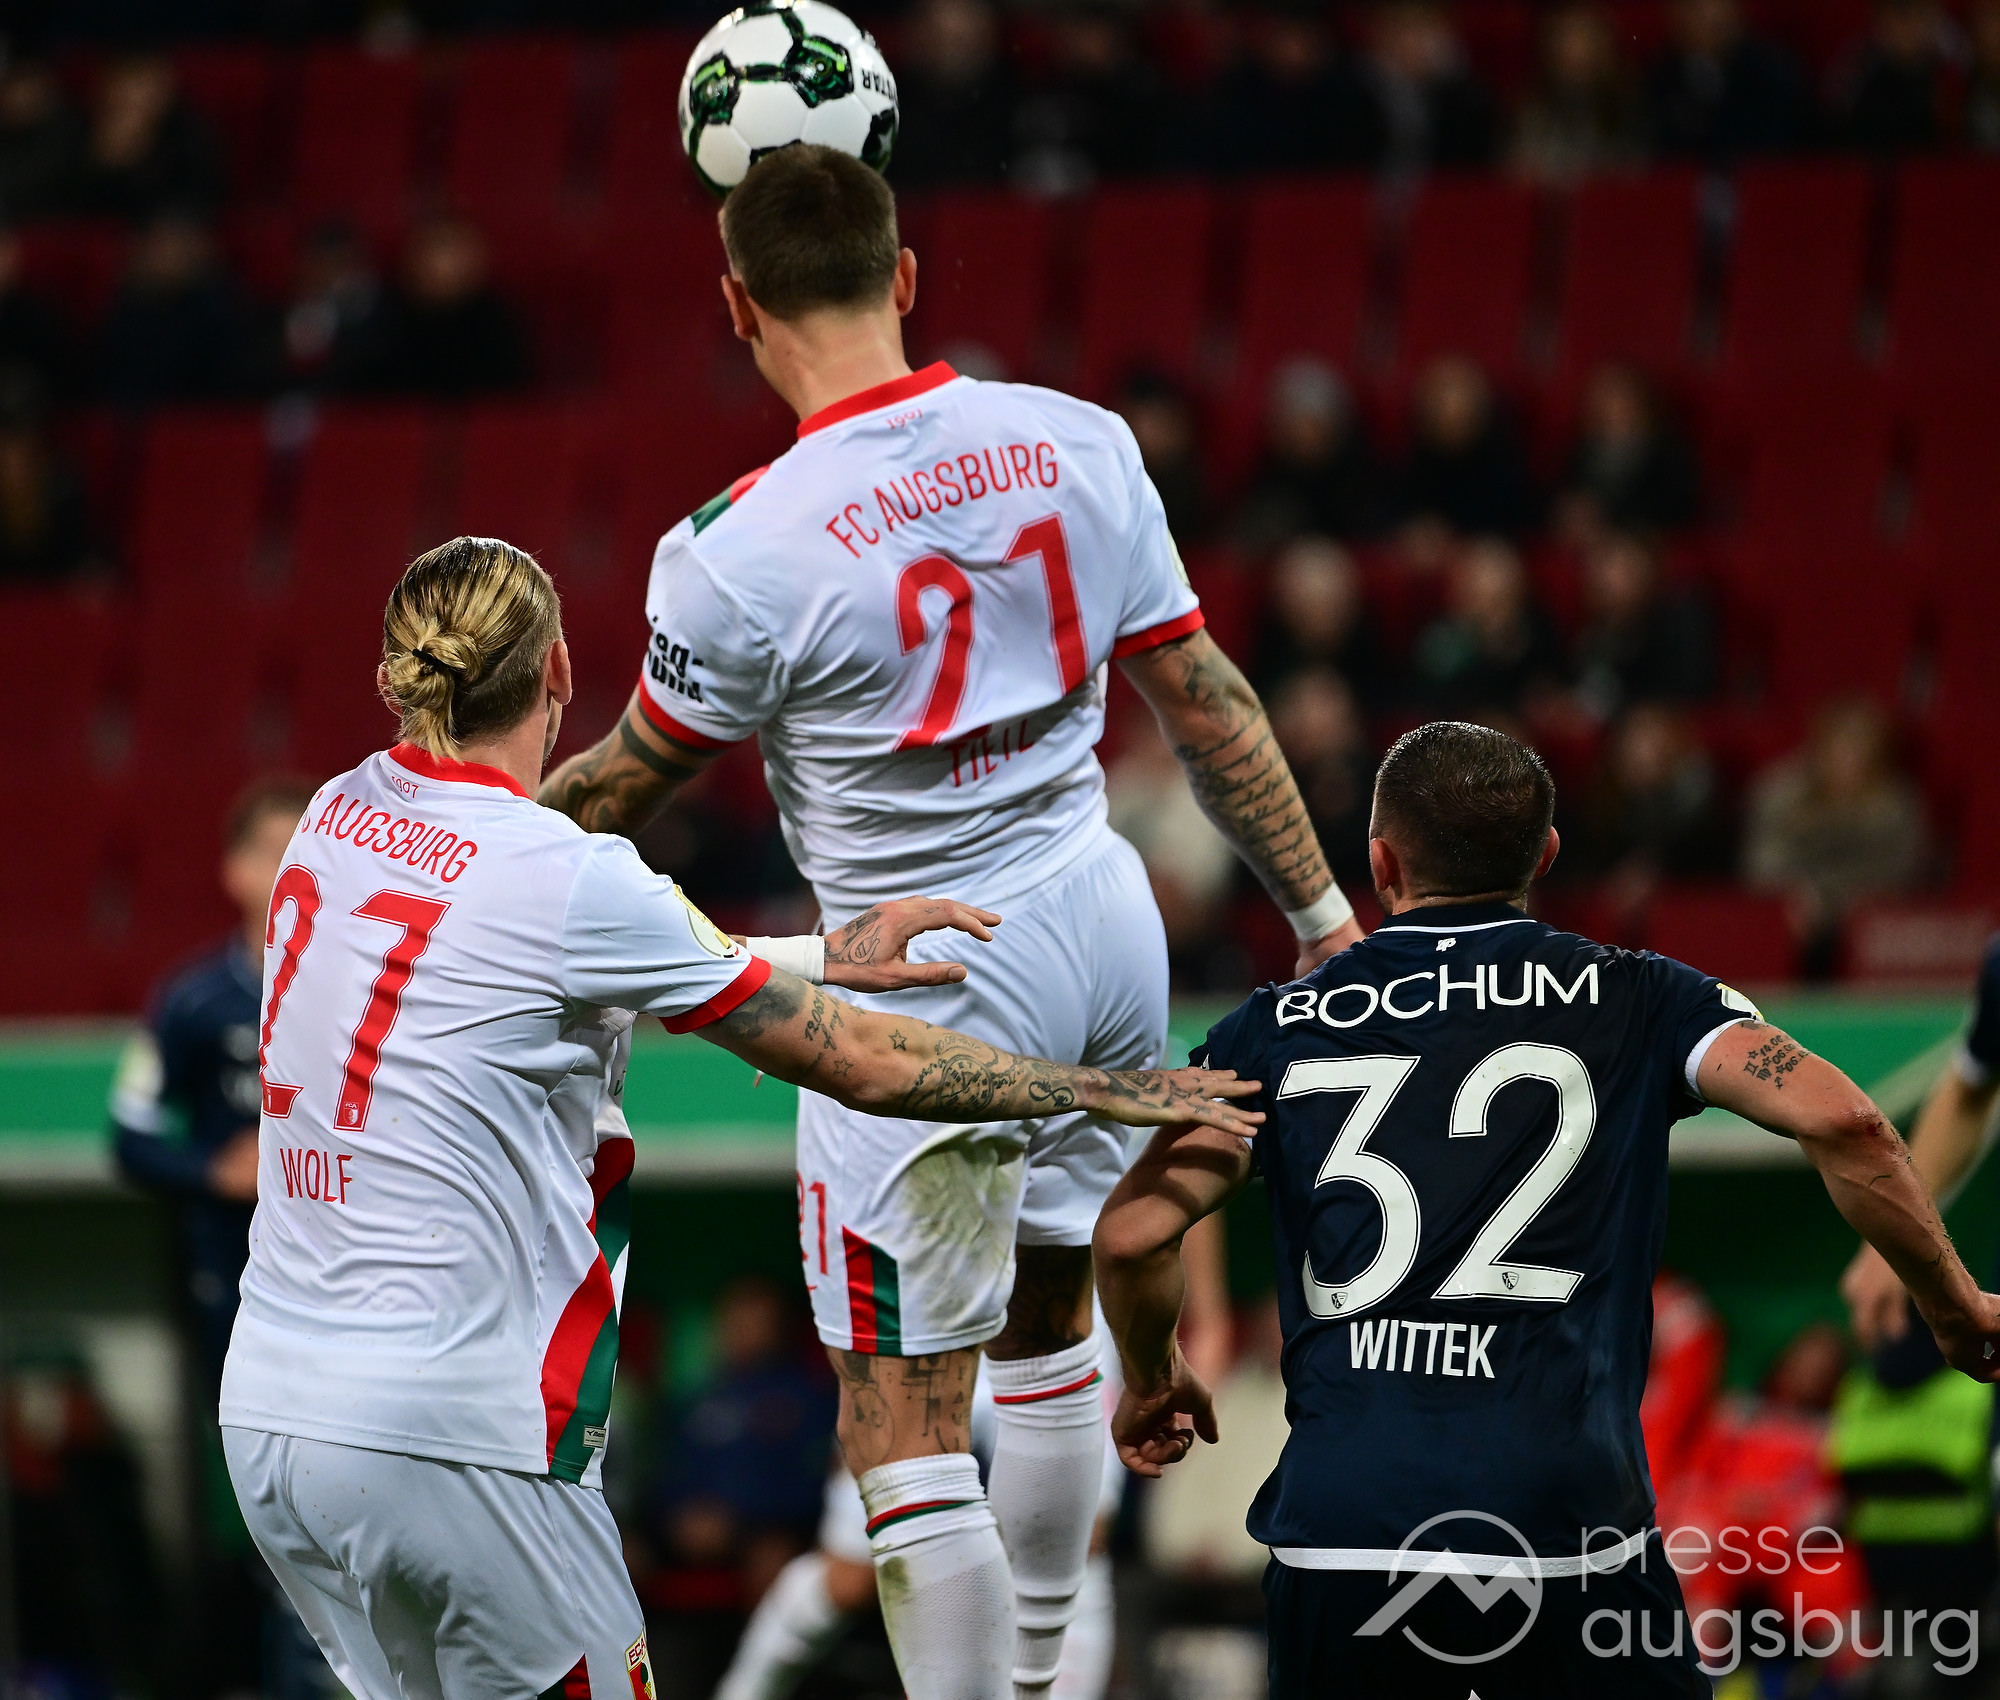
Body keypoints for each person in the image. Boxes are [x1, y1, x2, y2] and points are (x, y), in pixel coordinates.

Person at [539, 145, 1362, 1700]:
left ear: (737, 306)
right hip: (1103, 909)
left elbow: (623, 787)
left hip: (919, 972)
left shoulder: (737, 548)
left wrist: (448, 865)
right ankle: (1050, 1676)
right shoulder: (1079, 440)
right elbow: (1206, 701)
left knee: (903, 1418)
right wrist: (1320, 912)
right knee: (1051, 1330)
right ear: (907, 276)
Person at [220, 535, 1260, 1700]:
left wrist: (825, 950)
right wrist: (1102, 1087)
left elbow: (527, 960)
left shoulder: (331, 817)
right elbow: (862, 1063)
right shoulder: (567, 872)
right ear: (561, 670)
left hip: (273, 1416)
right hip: (459, 1428)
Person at [1091, 720, 2000, 1697]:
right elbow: (1849, 1122)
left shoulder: (1276, 1025)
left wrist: (1151, 1371)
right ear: (1547, 854)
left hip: (1343, 1535)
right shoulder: (1640, 997)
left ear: (1380, 862)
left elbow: (1135, 1228)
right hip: (1568, 1531)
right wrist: (1949, 1300)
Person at [111, 774, 336, 1696]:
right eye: (270, 851)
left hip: (345, 1289)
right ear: (235, 871)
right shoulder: (195, 1001)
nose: (288, 869)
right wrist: (212, 1170)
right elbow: (126, 1137)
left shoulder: (352, 987)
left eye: (303, 850)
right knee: (270, 1520)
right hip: (232, 1296)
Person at [1742, 696, 1930, 973]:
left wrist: (1835, 901)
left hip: (1862, 920)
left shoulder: (1895, 807)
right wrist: (1793, 894)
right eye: (1839, 747)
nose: (1848, 759)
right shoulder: (1781, 794)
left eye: (1859, 749)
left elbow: (1898, 871)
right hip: (1794, 915)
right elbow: (1763, 858)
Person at [1231, 359, 1383, 551]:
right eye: (1297, 424)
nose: (1306, 435)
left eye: (1314, 424)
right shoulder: (1267, 488)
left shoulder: (1361, 488)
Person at [1646, 0, 1807, 166]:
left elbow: (1779, 152)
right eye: (1695, 7)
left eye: (1718, 4)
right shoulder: (1660, 80)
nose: (1711, 16)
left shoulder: (1773, 74)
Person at [1510, 2, 1645, 184]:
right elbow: (1516, 177)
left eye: (1582, 36)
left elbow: (1638, 176)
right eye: (1563, 37)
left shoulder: (1629, 107)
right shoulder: (1530, 110)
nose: (1573, 49)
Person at [889, 0, 1017, 189]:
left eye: (965, 10)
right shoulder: (887, 114)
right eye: (935, 15)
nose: (951, 25)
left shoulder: (1020, 111)